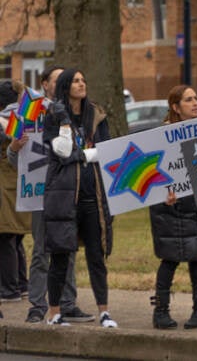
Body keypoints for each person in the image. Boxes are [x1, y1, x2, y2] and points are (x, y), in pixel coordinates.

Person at [6, 66, 90, 323]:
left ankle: (68, 303)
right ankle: (37, 304)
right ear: (44, 84)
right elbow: (13, 160)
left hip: (66, 193)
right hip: (40, 194)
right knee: (42, 251)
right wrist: (13, 147)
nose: (64, 84)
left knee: (67, 249)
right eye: (58, 80)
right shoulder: (26, 111)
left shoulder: (75, 113)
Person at [42, 68, 117, 328]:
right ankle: (54, 312)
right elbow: (62, 152)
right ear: (66, 86)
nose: (81, 84)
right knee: (61, 256)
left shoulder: (95, 115)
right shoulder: (54, 115)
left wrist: (82, 155)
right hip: (64, 197)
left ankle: (104, 312)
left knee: (97, 256)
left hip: (92, 196)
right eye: (75, 81)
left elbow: (106, 150)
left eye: (84, 80)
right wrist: (64, 123)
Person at [148, 85, 197, 330]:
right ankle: (161, 311)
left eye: (196, 98)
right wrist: (162, 193)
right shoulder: (160, 136)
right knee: (170, 258)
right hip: (170, 207)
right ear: (176, 107)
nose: (195, 102)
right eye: (189, 100)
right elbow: (152, 173)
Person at [0, 80, 32, 314]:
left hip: (4, 185)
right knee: (15, 237)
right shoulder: (23, 118)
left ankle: (9, 289)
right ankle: (21, 284)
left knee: (5, 238)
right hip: (20, 183)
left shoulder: (4, 122)